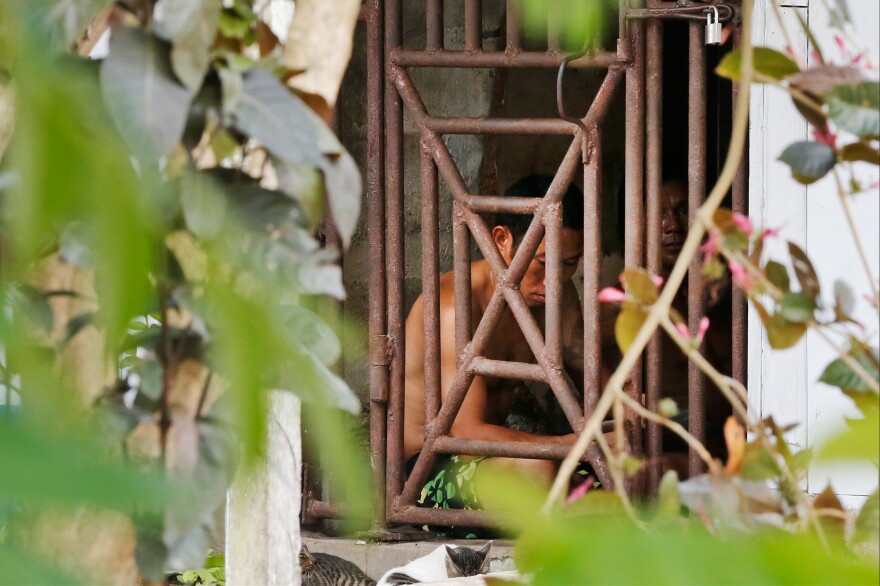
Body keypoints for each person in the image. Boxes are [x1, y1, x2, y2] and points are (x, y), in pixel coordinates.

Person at [402, 175, 615, 512]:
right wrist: (569, 445)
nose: (555, 281)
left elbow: (597, 378)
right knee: (540, 472)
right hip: (428, 469)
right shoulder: (454, 306)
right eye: (543, 263)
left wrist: (632, 418)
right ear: (501, 239)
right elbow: (466, 430)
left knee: (646, 472)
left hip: (502, 459)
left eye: (570, 263)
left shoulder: (554, 297)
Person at [658, 179, 733, 459]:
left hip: (731, 443)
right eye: (659, 213)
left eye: (681, 211)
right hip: (667, 451)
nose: (672, 226)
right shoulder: (627, 303)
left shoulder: (723, 295)